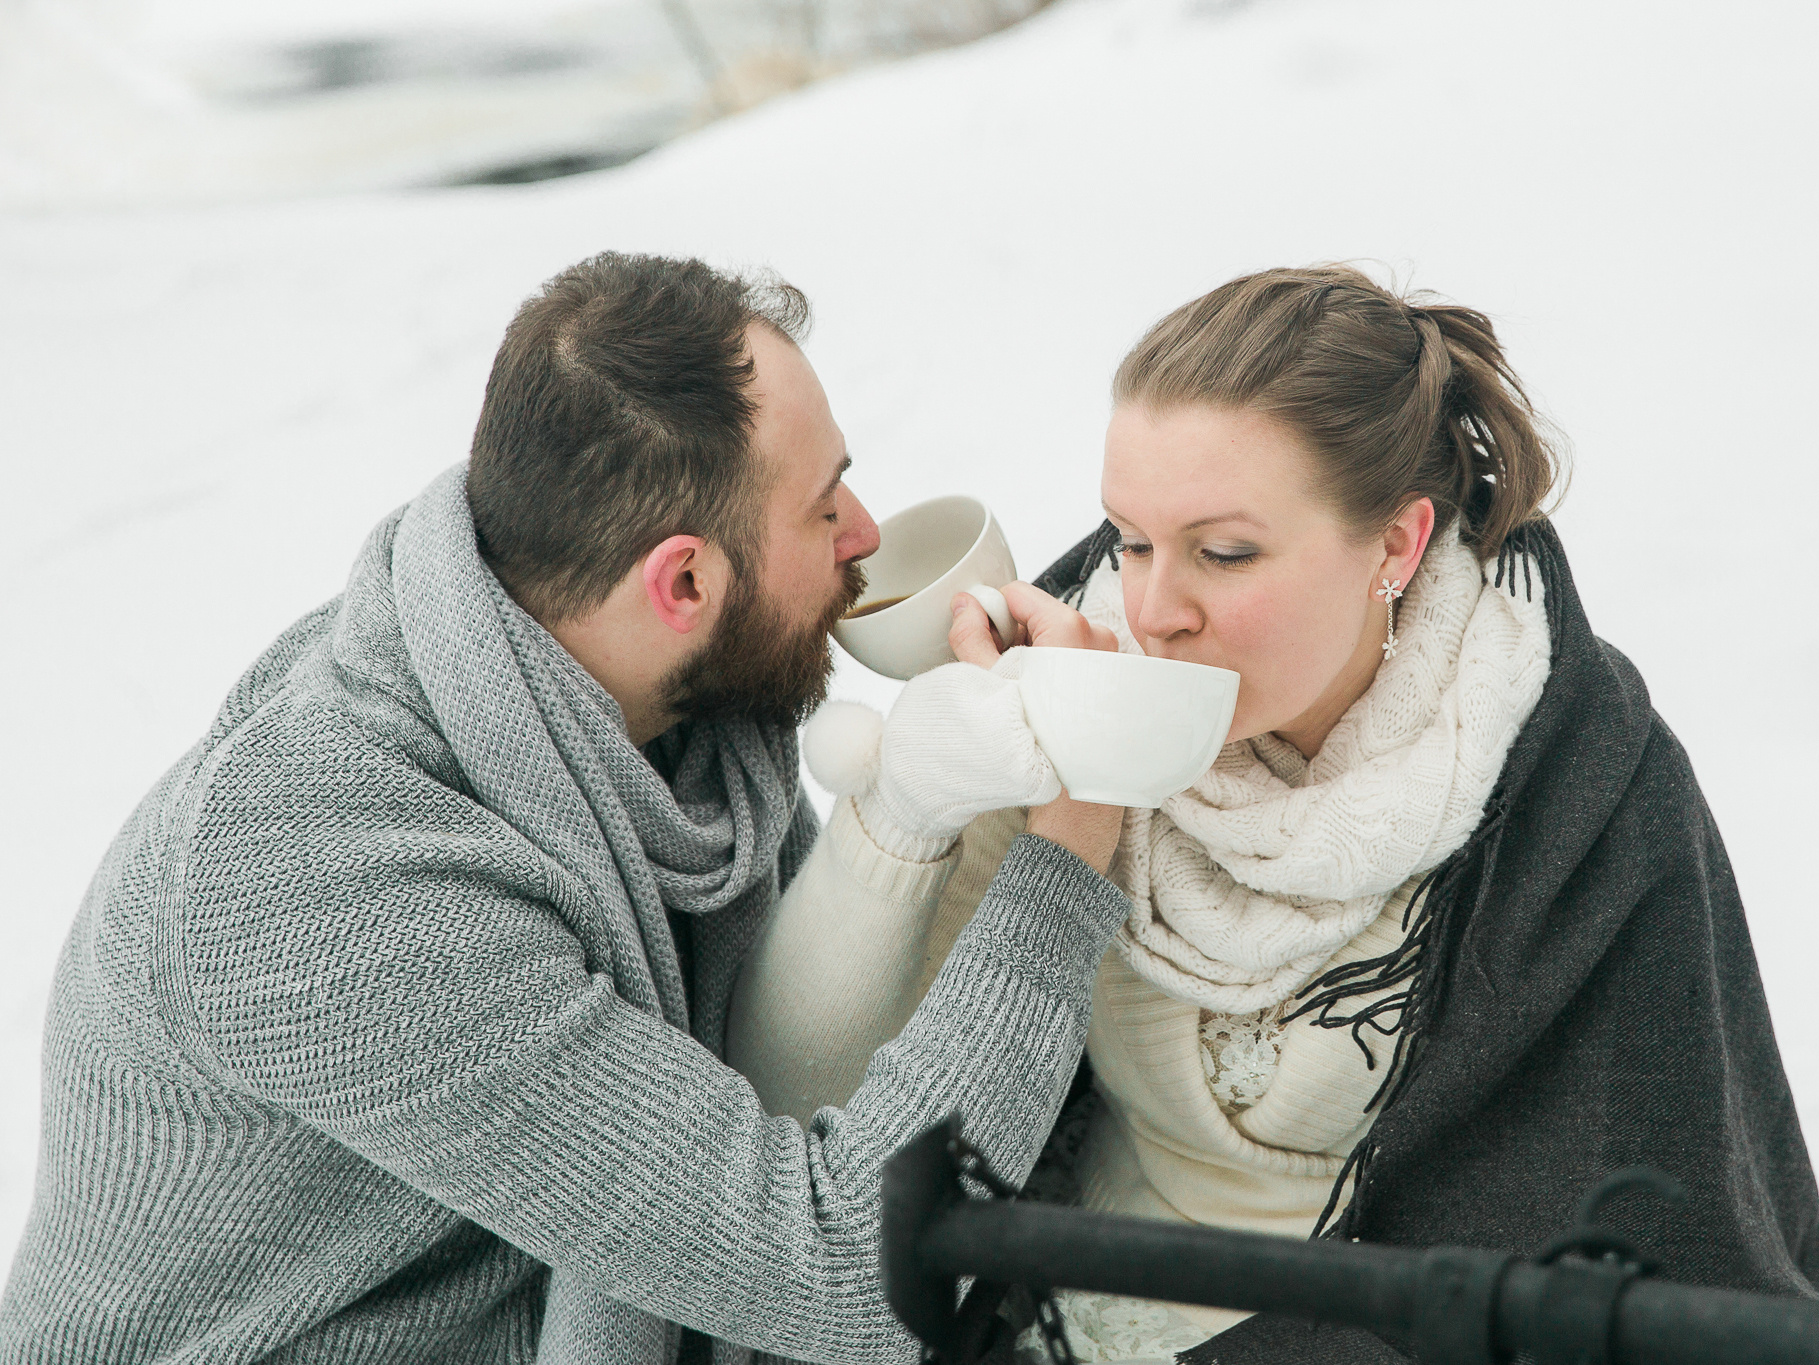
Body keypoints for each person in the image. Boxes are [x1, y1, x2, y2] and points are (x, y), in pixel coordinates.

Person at [728, 264, 1819, 1364]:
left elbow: (1637, 1205)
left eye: (1226, 554)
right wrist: (909, 813)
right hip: (1060, 1310)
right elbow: (815, 1117)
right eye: (1131, 538)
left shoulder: (1566, 768)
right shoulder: (1076, 698)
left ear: (1396, 545)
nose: (1154, 611)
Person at [0, 252, 1131, 1365]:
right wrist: (1071, 843)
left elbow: (777, 1073)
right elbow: (850, 1279)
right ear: (681, 583)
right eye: (821, 505)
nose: (867, 534)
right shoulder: (333, 891)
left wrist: (915, 815)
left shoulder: (657, 714)